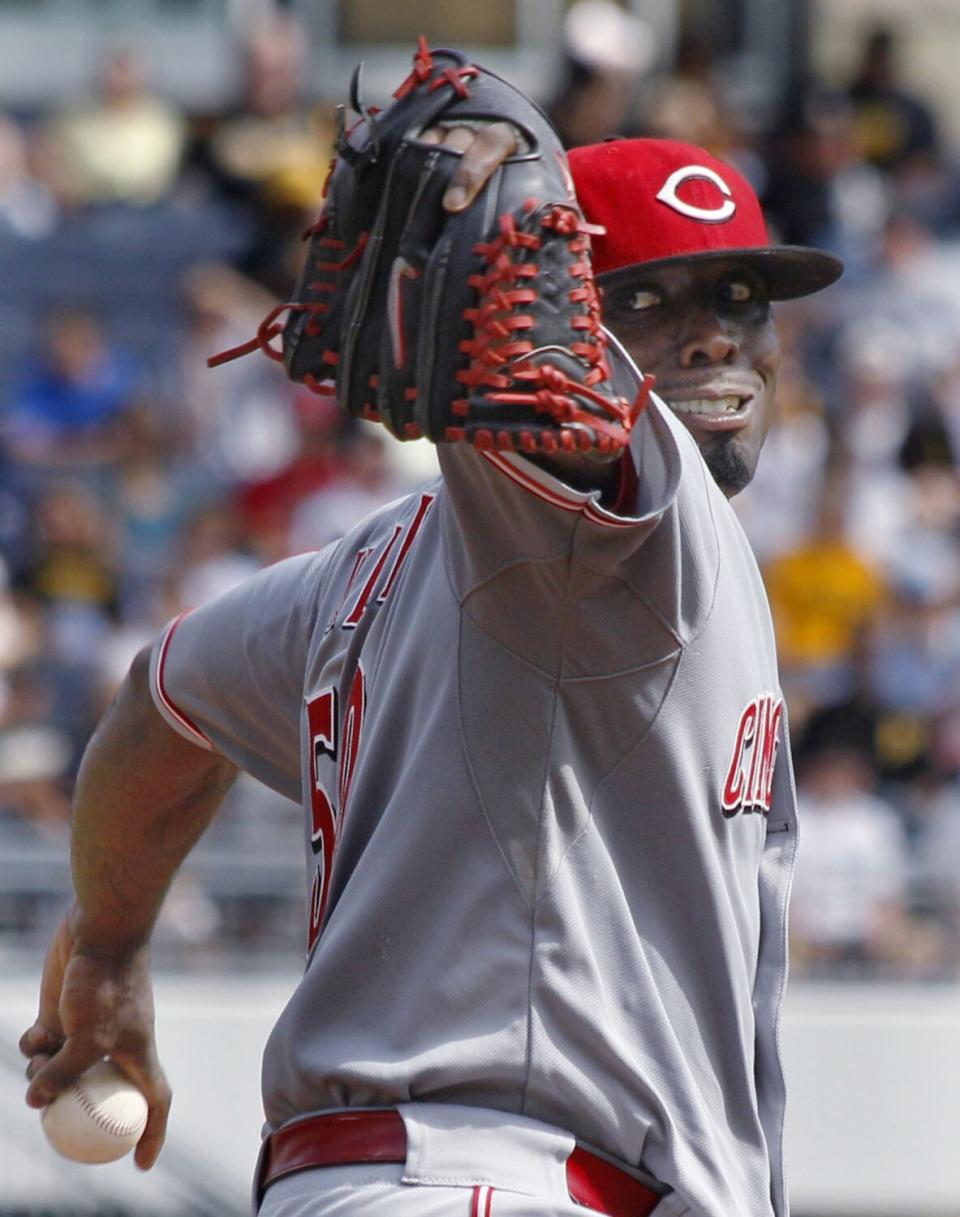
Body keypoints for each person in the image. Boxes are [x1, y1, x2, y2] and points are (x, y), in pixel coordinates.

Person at [20, 95, 842, 1217]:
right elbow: (574, 444)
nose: (714, 337)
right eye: (643, 297)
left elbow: (160, 709)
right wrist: (480, 127)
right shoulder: (605, 523)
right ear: (551, 311)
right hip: (507, 1179)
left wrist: (108, 949)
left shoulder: (349, 577)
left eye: (740, 297)